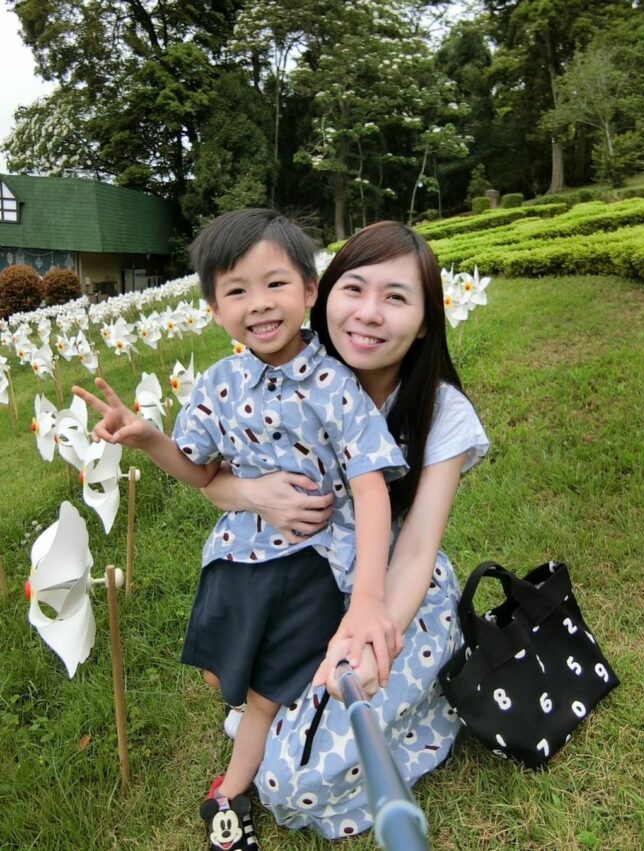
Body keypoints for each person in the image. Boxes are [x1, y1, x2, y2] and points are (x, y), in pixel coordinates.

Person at [73, 209, 407, 851]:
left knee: (257, 693)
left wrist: (367, 595)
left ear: (310, 291)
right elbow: (201, 476)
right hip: (237, 553)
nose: (259, 304)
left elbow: (369, 487)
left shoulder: (337, 384)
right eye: (236, 290)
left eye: (275, 283)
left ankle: (228, 792)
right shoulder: (217, 384)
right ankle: (252, 718)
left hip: (308, 563)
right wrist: (149, 440)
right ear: (214, 308)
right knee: (222, 672)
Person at [201, 220, 490, 839]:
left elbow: (414, 551)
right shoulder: (291, 370)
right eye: (354, 289)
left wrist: (369, 628)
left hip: (392, 595)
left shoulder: (443, 413)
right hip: (304, 583)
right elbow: (214, 478)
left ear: (425, 319)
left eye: (396, 298)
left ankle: (430, 703)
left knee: (290, 784)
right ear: (320, 293)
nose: (368, 314)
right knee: (249, 703)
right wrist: (256, 494)